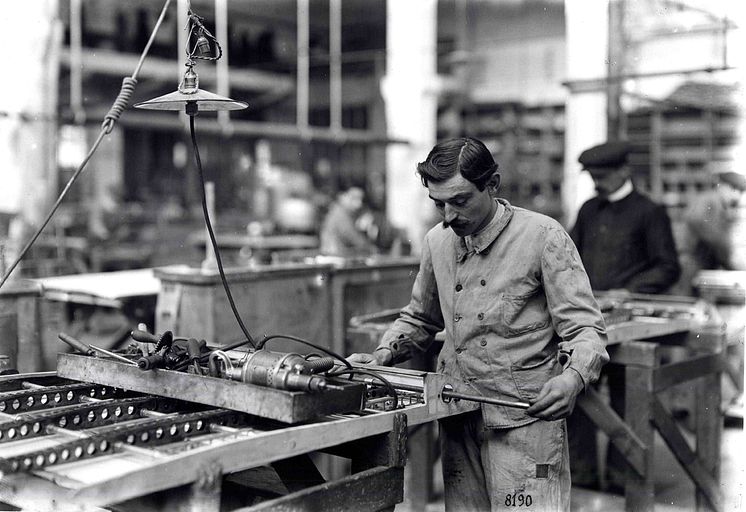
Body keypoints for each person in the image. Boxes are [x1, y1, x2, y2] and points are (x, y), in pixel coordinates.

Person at [349, 137, 609, 511]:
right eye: (439, 204)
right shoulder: (437, 242)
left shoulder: (543, 236)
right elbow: (421, 316)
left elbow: (585, 328)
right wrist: (384, 353)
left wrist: (573, 378)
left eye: (460, 201)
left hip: (525, 422)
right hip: (458, 413)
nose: (449, 216)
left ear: (493, 184)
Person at [568, 140, 681, 491]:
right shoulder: (589, 210)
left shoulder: (650, 212)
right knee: (577, 395)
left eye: (602, 176)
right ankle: (583, 483)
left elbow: (668, 267)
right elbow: (569, 257)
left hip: (630, 324)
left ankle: (622, 486)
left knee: (627, 400)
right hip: (589, 319)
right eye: (592, 176)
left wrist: (628, 289)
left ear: (623, 171)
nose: (596, 183)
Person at [319, 186, 378, 257]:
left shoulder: (347, 213)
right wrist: (369, 248)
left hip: (338, 253)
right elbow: (351, 236)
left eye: (360, 199)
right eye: (354, 198)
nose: (359, 204)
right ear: (342, 196)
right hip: (335, 255)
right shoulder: (339, 213)